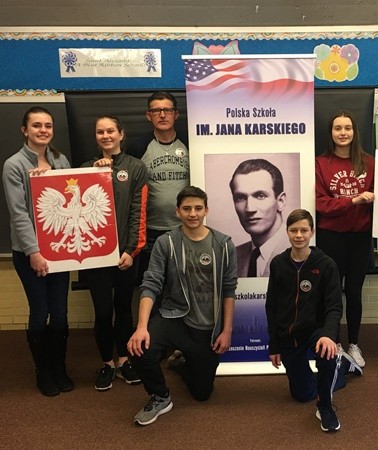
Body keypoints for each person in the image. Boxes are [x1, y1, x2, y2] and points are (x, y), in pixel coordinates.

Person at [128, 186, 237, 426]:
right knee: (139, 347)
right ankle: (160, 396)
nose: (193, 213)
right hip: (174, 317)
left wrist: (226, 331)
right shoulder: (166, 243)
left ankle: (181, 362)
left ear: (206, 210)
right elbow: (151, 283)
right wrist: (142, 326)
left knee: (202, 394)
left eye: (198, 208)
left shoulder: (224, 244)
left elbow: (229, 289)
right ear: (178, 212)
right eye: (186, 208)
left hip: (206, 327)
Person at [266, 209, 362, 433]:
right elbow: (272, 306)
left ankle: (325, 406)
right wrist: (274, 344)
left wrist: (328, 335)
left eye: (303, 230)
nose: (299, 235)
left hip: (317, 330)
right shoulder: (278, 264)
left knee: (326, 355)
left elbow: (334, 307)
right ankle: (344, 366)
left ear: (312, 232)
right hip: (290, 334)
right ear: (287, 232)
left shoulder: (326, 264)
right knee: (302, 395)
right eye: (293, 230)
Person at [2, 107, 73, 397]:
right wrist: (33, 252)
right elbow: (19, 213)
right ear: (25, 130)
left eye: (47, 125)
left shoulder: (61, 160)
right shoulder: (14, 164)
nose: (43, 130)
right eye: (36, 125)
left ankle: (59, 367)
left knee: (60, 312)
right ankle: (43, 370)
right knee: (40, 310)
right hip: (29, 253)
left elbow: (75, 194)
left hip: (61, 250)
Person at [81, 115, 148, 391]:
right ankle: (106, 363)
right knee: (102, 310)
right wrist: (98, 176)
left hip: (125, 256)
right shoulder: (85, 169)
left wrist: (132, 251)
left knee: (123, 308)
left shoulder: (136, 167)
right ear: (96, 137)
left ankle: (123, 360)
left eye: (111, 131)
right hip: (95, 256)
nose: (106, 135)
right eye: (100, 132)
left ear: (121, 134)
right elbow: (82, 215)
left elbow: (138, 212)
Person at [315, 110, 374, 368]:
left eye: (347, 128)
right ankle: (335, 343)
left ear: (354, 132)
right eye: (337, 128)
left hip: (360, 237)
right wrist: (353, 200)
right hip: (331, 237)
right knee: (331, 293)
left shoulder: (369, 163)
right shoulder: (320, 163)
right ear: (331, 133)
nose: (343, 132)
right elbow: (321, 204)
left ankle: (354, 344)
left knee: (354, 291)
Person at [128, 91, 189, 281]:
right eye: (156, 111)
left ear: (176, 114)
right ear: (149, 115)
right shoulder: (138, 146)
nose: (162, 115)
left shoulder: (191, 143)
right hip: (151, 231)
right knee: (154, 284)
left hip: (186, 227)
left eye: (167, 110)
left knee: (182, 282)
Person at [229, 158, 289, 278]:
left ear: (280, 201)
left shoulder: (300, 249)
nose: (249, 208)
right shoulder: (232, 257)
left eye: (260, 196)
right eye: (240, 198)